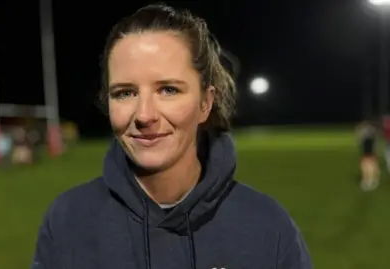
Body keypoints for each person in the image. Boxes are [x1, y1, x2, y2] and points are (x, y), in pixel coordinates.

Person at [32, 4, 312, 269]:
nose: (144, 115)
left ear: (205, 103)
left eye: (168, 90)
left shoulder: (267, 227)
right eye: (125, 93)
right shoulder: (68, 222)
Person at [356, 120, 380, 191]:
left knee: (370, 166)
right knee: (365, 166)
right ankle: (367, 181)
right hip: (366, 152)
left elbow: (375, 143)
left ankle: (371, 181)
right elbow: (359, 141)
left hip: (370, 152)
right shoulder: (368, 133)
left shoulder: (371, 133)